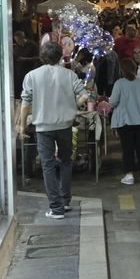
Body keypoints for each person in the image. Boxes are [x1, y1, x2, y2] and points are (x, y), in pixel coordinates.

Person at [20, 42, 89, 219]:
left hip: (43, 126)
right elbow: (84, 95)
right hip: (65, 125)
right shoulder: (69, 74)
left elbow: (26, 102)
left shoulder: (32, 76)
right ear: (60, 56)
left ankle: (56, 207)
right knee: (66, 162)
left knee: (48, 165)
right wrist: (72, 107)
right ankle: (65, 201)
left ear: (42, 56)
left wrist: (22, 125)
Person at [108, 57, 140, 186]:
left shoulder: (119, 84)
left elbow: (113, 102)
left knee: (127, 148)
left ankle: (129, 175)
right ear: (135, 69)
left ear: (122, 71)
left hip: (126, 120)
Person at [12, 29, 39, 95]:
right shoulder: (17, 47)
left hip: (30, 71)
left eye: (19, 40)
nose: (18, 42)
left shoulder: (32, 45)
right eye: (16, 41)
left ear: (23, 38)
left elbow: (38, 58)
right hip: (19, 73)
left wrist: (25, 59)